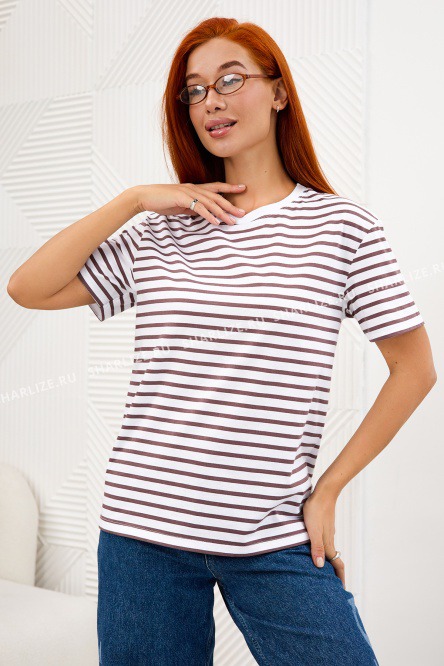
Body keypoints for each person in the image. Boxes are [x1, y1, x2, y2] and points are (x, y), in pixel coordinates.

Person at [7, 16, 436, 666]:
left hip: (272, 535)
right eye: (195, 90)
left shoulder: (342, 228)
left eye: (231, 80)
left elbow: (414, 369)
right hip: (142, 531)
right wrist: (134, 200)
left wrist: (328, 490)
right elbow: (27, 287)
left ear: (279, 92)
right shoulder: (165, 230)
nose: (211, 100)